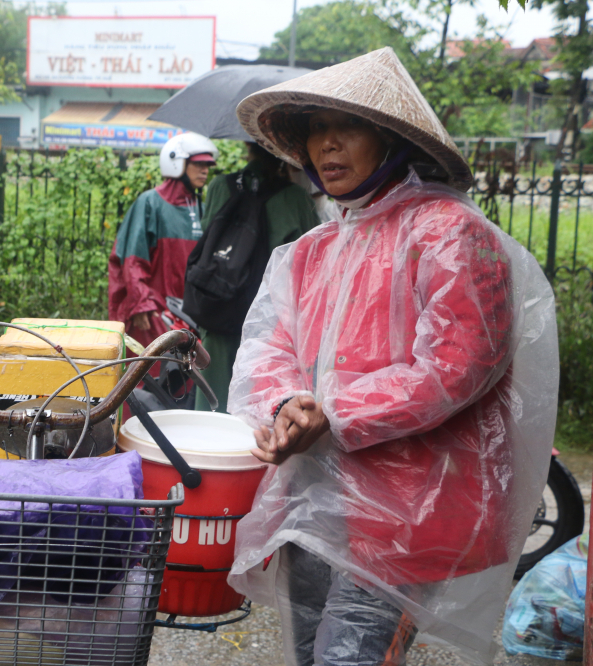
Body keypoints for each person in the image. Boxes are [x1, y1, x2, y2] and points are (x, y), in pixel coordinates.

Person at [226, 47, 558, 666]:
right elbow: (269, 346)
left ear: (390, 140)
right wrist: (285, 406)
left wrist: (333, 412)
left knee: (349, 655)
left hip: (406, 504)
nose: (326, 146)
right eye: (315, 131)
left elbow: (457, 367)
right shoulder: (310, 250)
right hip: (310, 493)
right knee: (310, 649)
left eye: (344, 128)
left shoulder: (450, 233)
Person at [192, 142, 320, 414]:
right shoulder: (296, 198)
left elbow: (207, 235)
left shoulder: (219, 187)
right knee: (259, 407)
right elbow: (312, 259)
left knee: (211, 409)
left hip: (218, 308)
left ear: (248, 148)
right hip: (269, 322)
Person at [108, 132, 217, 350]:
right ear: (177, 162)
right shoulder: (150, 203)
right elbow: (132, 259)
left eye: (207, 165)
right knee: (151, 376)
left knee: (185, 379)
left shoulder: (201, 208)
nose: (205, 170)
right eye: (198, 164)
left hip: (189, 316)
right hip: (153, 313)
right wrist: (141, 305)